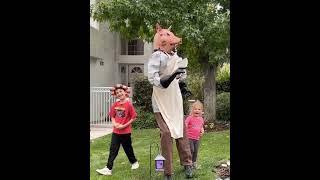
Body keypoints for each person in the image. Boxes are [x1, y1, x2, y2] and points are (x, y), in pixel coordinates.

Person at [147, 23, 193, 179]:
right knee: (166, 133)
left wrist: (180, 74)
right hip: (160, 101)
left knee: (181, 131)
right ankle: (168, 172)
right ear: (162, 43)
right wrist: (172, 75)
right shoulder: (156, 57)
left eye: (175, 44)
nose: (174, 47)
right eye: (172, 44)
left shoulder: (176, 57)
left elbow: (181, 77)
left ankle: (188, 164)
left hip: (174, 99)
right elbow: (154, 79)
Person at [96, 84, 139, 176]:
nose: (119, 93)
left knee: (128, 149)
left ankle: (134, 162)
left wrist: (124, 126)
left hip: (126, 132)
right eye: (117, 93)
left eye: (120, 91)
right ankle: (108, 168)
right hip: (116, 132)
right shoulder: (115, 104)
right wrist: (114, 124)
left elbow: (134, 117)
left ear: (125, 93)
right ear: (115, 95)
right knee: (113, 149)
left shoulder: (129, 105)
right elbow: (112, 116)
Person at [185, 100, 205, 169]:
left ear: (201, 111)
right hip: (189, 137)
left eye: (199, 109)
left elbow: (201, 126)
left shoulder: (201, 119)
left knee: (195, 151)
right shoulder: (190, 118)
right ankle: (188, 163)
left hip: (197, 138)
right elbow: (185, 124)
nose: (197, 110)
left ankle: (194, 163)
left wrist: (202, 130)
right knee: (191, 150)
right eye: (195, 109)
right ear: (192, 110)